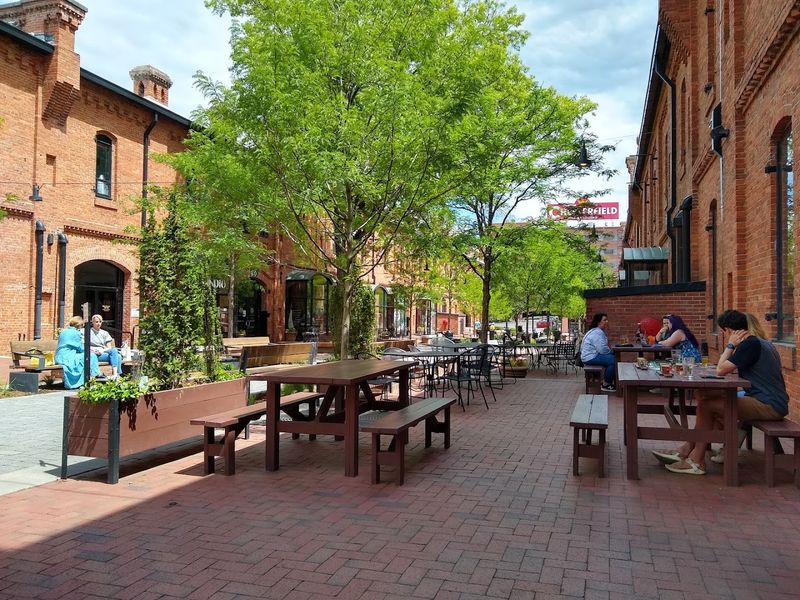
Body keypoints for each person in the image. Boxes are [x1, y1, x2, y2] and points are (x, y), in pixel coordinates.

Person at [654, 309, 788, 475]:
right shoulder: (759, 343)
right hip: (767, 400)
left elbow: (720, 369)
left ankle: (695, 459)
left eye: (724, 332)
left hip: (769, 405)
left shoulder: (750, 344)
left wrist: (730, 345)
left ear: (728, 330)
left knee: (706, 404)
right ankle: (689, 451)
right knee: (706, 398)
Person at [55, 316, 102, 389]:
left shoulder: (63, 331)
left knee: (84, 358)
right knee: (91, 356)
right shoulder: (76, 333)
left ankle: (89, 379)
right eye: (82, 325)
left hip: (59, 356)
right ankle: (93, 377)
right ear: (78, 325)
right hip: (67, 357)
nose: (82, 327)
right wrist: (91, 351)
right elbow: (80, 348)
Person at [580, 313, 616, 392]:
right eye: (604, 320)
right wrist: (610, 352)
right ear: (598, 322)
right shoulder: (597, 332)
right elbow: (602, 349)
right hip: (590, 357)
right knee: (613, 360)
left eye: (607, 320)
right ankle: (606, 384)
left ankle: (609, 381)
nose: (607, 322)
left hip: (590, 356)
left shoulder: (596, 331)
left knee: (613, 357)